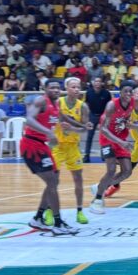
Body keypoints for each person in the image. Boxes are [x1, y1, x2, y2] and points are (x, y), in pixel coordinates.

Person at [89, 80, 138, 214]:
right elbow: (103, 129)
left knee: (127, 171)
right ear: (120, 92)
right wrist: (121, 142)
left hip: (121, 139)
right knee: (111, 169)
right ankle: (97, 200)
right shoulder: (112, 105)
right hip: (107, 139)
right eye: (125, 91)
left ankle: (100, 186)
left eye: (130, 91)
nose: (128, 94)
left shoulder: (135, 101)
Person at [21, 79, 78, 235]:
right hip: (31, 145)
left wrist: (80, 126)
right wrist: (48, 132)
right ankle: (57, 222)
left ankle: (38, 218)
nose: (55, 90)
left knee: (54, 180)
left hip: (42, 145)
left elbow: (62, 118)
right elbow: (29, 119)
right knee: (52, 182)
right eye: (51, 87)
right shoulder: (41, 100)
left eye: (57, 88)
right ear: (44, 89)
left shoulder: (56, 104)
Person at [47, 77, 93, 225]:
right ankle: (49, 210)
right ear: (66, 89)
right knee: (53, 180)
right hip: (58, 146)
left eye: (78, 86)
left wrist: (73, 128)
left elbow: (85, 129)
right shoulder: (58, 103)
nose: (76, 89)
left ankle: (79, 211)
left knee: (78, 179)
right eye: (73, 87)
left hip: (73, 146)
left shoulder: (83, 106)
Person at [83, 77, 112, 163]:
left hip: (103, 116)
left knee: (104, 137)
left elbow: (110, 105)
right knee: (89, 136)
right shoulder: (89, 92)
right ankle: (86, 156)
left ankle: (104, 156)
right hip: (92, 116)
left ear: (102, 83)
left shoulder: (106, 93)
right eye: (96, 81)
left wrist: (107, 117)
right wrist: (87, 117)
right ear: (93, 83)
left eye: (99, 81)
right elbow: (86, 104)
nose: (98, 83)